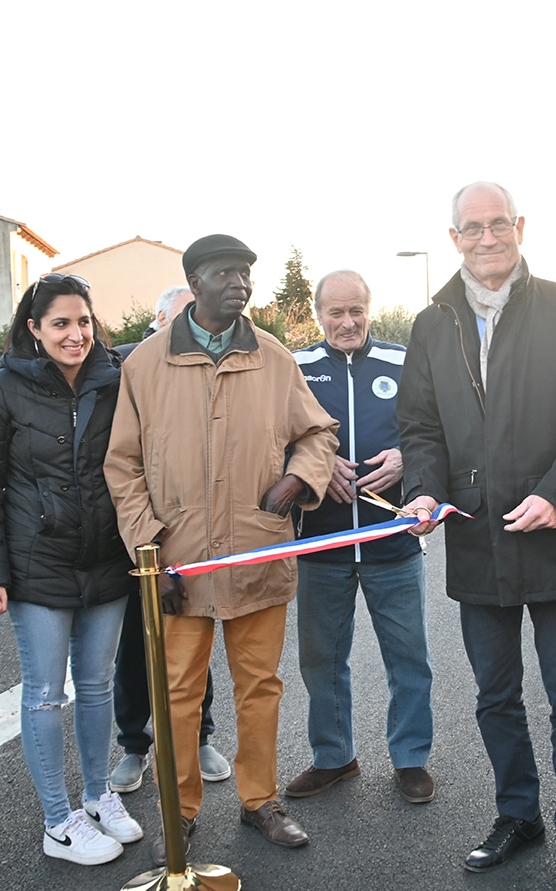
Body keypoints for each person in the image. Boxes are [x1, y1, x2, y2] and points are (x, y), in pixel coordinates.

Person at [398, 182, 556, 891]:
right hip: (476, 541)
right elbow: (421, 427)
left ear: (521, 227)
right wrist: (424, 489)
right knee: (495, 695)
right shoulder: (431, 324)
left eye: (500, 224)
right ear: (454, 236)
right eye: (474, 227)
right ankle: (518, 813)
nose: (488, 236)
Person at [105, 234, 338, 866]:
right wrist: (151, 549)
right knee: (176, 692)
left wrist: (299, 479)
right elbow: (122, 466)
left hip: (256, 552)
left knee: (260, 685)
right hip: (177, 559)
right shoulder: (145, 365)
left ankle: (261, 800)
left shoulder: (274, 358)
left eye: (246, 274)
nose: (240, 283)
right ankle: (177, 811)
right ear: (195, 282)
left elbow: (317, 432)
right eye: (225, 273)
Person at [0, 273, 142, 867]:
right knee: (43, 695)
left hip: (106, 562)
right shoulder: (2, 390)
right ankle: (57, 820)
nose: (76, 334)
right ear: (34, 329)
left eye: (84, 321)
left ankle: (97, 797)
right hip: (38, 566)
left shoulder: (118, 382)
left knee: (96, 686)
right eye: (61, 323)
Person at [288, 270, 436, 805]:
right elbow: (272, 441)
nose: (347, 322)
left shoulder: (404, 362)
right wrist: (311, 467)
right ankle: (334, 758)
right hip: (320, 545)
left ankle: (411, 758)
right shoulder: (296, 367)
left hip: (393, 542)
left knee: (409, 657)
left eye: (357, 311)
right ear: (318, 312)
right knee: (322, 659)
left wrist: (407, 457)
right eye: (335, 312)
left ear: (369, 309)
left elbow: (437, 432)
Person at [108, 283, 231, 794]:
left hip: (196, 538)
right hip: (137, 535)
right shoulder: (123, 366)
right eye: (183, 314)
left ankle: (198, 736)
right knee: (137, 649)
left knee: (194, 646)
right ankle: (135, 745)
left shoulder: (213, 364)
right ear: (159, 320)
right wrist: (142, 533)